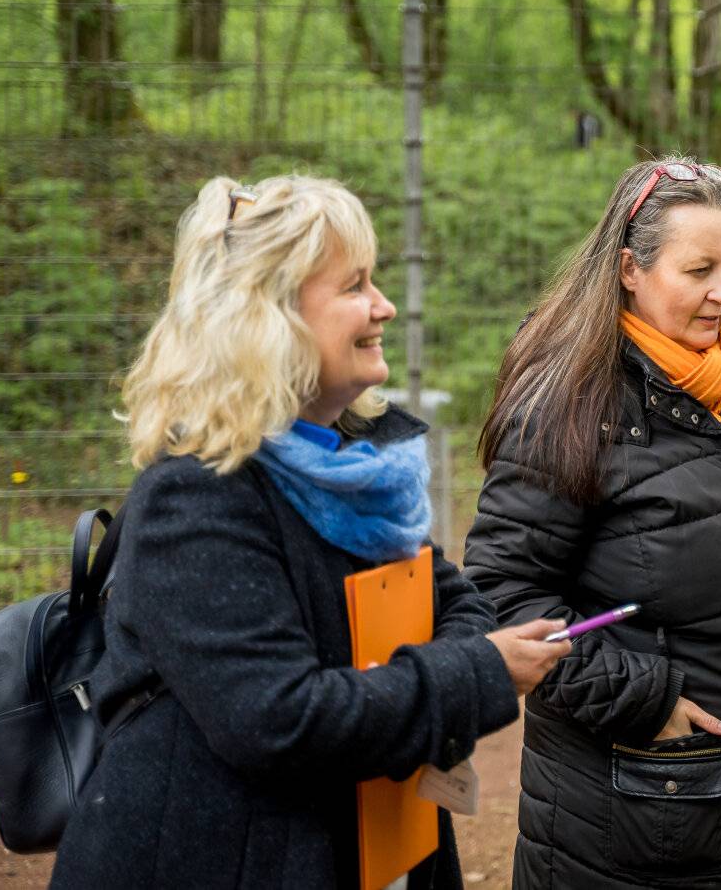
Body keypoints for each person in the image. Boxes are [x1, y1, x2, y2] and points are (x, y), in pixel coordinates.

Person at [52, 176, 569, 889]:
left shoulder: (352, 475)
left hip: (364, 843)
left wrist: (434, 671)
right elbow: (281, 720)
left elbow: (458, 603)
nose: (384, 305)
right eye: (355, 285)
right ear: (268, 319)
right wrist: (475, 671)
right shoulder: (195, 500)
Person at [463, 158, 721, 889]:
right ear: (630, 268)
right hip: (637, 830)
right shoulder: (568, 401)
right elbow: (506, 593)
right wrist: (644, 699)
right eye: (698, 271)